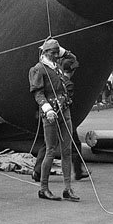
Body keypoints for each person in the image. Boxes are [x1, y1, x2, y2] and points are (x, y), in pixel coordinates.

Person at [29, 38, 79, 202]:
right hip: (50, 113)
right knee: (50, 150)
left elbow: (73, 60)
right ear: (45, 52)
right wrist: (46, 108)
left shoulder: (57, 66)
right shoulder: (38, 69)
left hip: (64, 110)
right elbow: (37, 92)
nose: (56, 55)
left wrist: (62, 51)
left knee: (66, 150)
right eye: (53, 52)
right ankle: (43, 188)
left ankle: (67, 188)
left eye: (58, 52)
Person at [32, 49, 88, 183]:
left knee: (48, 145)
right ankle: (76, 172)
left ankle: (38, 172)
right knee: (65, 146)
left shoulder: (54, 74)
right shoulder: (66, 83)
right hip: (60, 115)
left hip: (51, 114)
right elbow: (65, 101)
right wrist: (60, 49)